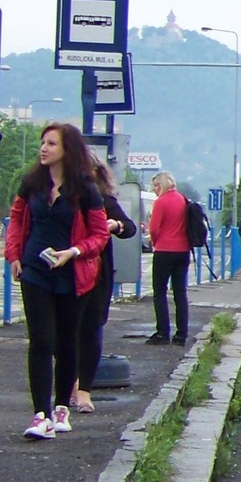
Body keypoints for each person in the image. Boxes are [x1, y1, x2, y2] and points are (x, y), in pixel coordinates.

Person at [4, 123, 109, 439]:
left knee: (66, 342)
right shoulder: (32, 183)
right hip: (35, 271)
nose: (44, 148)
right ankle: (40, 416)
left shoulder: (86, 189)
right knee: (41, 341)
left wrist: (74, 251)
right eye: (42, 143)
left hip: (72, 274)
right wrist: (14, 256)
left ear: (68, 149)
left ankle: (62, 406)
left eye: (52, 143)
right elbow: (17, 219)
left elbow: (100, 235)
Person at [75, 158, 140, 413]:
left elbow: (130, 228)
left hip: (97, 274)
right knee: (64, 332)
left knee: (91, 330)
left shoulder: (104, 200)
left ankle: (84, 389)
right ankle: (71, 384)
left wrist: (117, 224)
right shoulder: (61, 197)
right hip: (67, 271)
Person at [146, 171, 192, 345]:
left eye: (156, 186)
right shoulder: (182, 200)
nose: (155, 189)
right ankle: (181, 334)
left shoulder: (161, 202)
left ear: (162, 185)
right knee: (180, 292)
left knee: (159, 292)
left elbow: (154, 229)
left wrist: (157, 243)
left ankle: (163, 332)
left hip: (164, 250)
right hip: (183, 251)